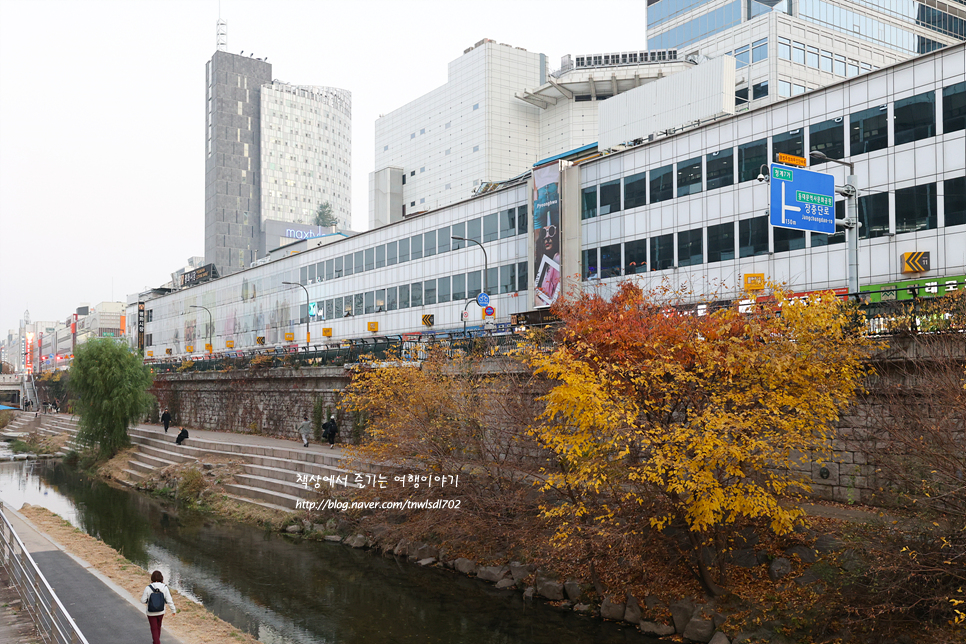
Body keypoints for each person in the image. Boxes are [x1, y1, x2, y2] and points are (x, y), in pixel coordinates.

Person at [141, 570, 176, 644]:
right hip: (161, 611)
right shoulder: (165, 587)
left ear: (152, 578)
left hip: (151, 612)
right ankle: (156, 641)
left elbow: (143, 601)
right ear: (161, 578)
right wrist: (173, 610)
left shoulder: (148, 588)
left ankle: (156, 642)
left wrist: (149, 601)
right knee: (158, 627)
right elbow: (169, 600)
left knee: (154, 629)